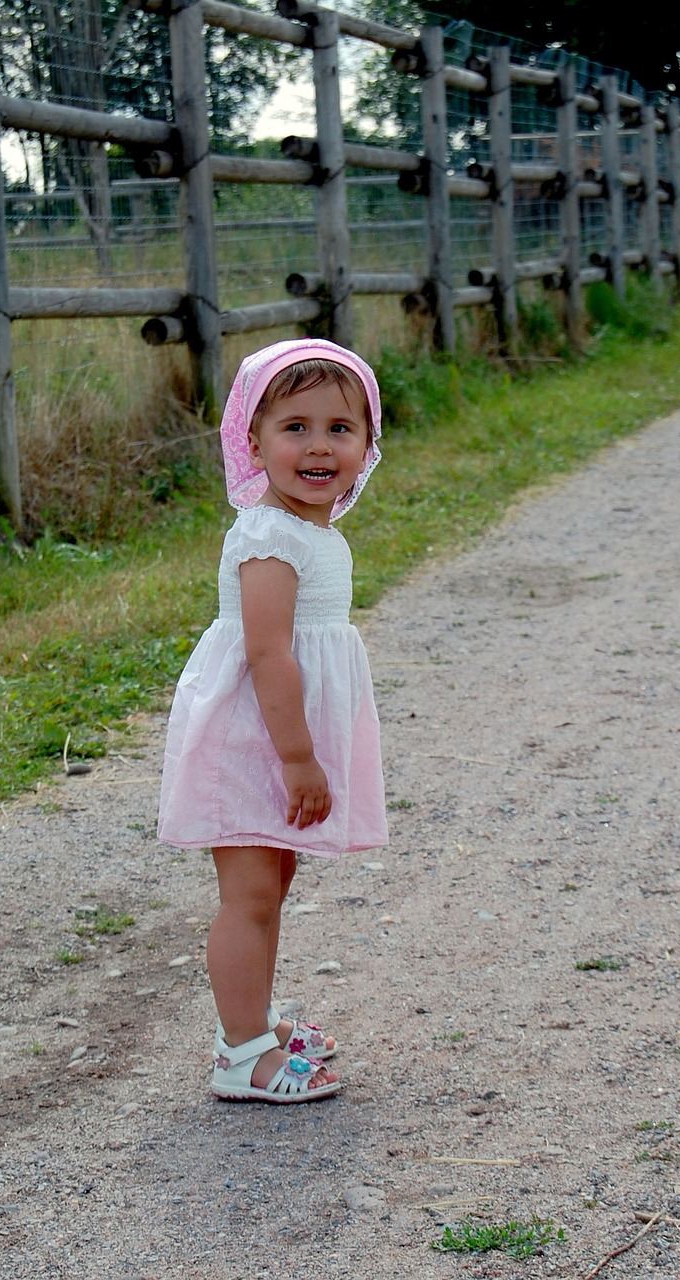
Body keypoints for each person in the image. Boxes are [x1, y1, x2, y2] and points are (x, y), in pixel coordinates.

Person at [158, 338, 388, 1103]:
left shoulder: (313, 531)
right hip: (252, 739)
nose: (318, 445)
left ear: (365, 446)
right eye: (294, 427)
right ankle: (239, 1054)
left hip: (275, 735)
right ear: (250, 441)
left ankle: (253, 1018)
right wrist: (298, 758)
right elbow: (265, 652)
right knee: (248, 895)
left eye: (338, 428)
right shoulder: (268, 534)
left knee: (272, 882)